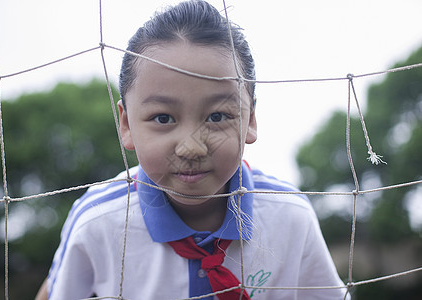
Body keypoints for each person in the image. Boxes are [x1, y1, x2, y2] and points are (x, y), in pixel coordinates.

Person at [37, 0, 350, 299]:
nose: (191, 147)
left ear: (250, 119)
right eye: (163, 118)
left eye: (217, 117)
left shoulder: (291, 216)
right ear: (127, 124)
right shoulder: (97, 220)